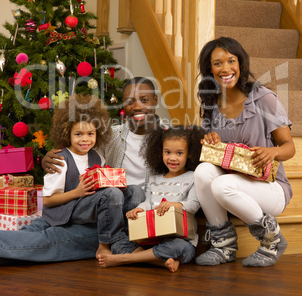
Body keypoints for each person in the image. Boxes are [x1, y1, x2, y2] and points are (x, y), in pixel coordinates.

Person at [194, 36, 295, 268]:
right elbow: (215, 156)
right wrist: (211, 140)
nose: (226, 68)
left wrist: (272, 152)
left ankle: (272, 239)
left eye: (231, 61)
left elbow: (290, 147)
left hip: (270, 188)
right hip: (235, 185)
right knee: (203, 171)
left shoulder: (263, 99)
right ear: (210, 69)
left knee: (221, 185)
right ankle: (224, 244)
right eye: (217, 63)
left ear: (240, 64)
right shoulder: (211, 104)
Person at [0, 95, 138, 263]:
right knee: (111, 194)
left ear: (97, 133)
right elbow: (48, 201)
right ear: (67, 134)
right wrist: (77, 192)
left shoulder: (98, 157)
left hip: (89, 209)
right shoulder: (61, 160)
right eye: (78, 134)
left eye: (90, 134)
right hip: (65, 211)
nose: (85, 139)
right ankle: (106, 245)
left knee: (131, 190)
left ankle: (135, 234)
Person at [98, 125, 204, 272]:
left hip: (180, 240)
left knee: (181, 249)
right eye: (167, 152)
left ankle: (124, 259)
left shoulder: (193, 177)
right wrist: (138, 209)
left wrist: (175, 205)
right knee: (118, 245)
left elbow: (194, 204)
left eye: (179, 153)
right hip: (152, 240)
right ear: (160, 152)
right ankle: (161, 262)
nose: (172, 158)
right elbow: (148, 202)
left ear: (189, 154)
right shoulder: (154, 180)